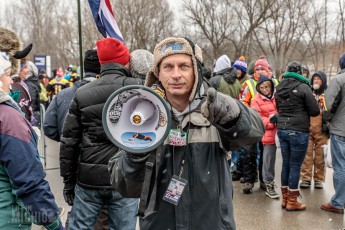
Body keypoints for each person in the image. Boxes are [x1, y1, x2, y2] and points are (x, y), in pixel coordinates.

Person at [109, 37, 265, 229]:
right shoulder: (141, 118)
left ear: (196, 71)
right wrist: (134, 156)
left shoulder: (215, 108)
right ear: (157, 73)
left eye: (184, 66)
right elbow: (124, 185)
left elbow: (256, 131)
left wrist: (235, 117)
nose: (176, 74)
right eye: (168, 67)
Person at [60, 38, 143, 229]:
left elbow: (69, 142)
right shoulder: (138, 89)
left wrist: (68, 180)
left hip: (89, 179)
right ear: (125, 61)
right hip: (126, 176)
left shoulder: (82, 93)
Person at [0, 52, 64, 230]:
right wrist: (53, 223)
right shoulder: (8, 119)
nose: (11, 81)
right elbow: (29, 181)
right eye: (6, 74)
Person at [275, 61, 319, 211]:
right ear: (300, 72)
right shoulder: (303, 87)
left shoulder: (279, 86)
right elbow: (314, 111)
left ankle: (285, 199)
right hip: (299, 131)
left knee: (286, 164)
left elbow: (278, 108)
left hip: (282, 129)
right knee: (295, 165)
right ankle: (292, 202)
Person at [321, 52, 345, 214]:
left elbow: (328, 105)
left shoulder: (338, 80)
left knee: (340, 166)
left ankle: (338, 202)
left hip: (341, 130)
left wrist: (326, 121)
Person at [251, 75, 279, 199]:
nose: (265, 89)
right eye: (261, 87)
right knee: (268, 160)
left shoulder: (277, 97)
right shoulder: (256, 100)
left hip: (281, 131)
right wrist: (272, 121)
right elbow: (257, 119)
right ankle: (269, 184)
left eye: (267, 87)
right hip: (268, 133)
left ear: (271, 86)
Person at [300, 71, 329, 189]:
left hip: (322, 129)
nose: (316, 81)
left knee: (320, 156)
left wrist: (328, 125)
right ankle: (305, 179)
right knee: (306, 155)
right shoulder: (308, 93)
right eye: (314, 79)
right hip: (308, 127)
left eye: (319, 79)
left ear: (323, 81)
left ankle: (318, 179)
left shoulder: (328, 94)